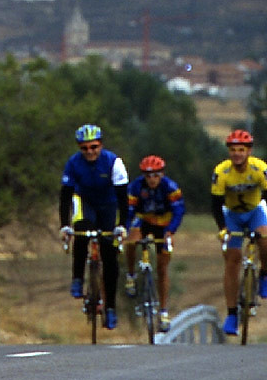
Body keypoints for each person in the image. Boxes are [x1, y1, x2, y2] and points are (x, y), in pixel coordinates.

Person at [59, 124, 130, 330]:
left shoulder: (114, 163)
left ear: (101, 145)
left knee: (110, 256)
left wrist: (123, 225)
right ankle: (78, 278)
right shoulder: (73, 164)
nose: (90, 152)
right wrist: (64, 225)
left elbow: (123, 199)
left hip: (108, 204)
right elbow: (65, 197)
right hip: (84, 201)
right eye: (85, 148)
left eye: (94, 147)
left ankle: (110, 308)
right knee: (82, 229)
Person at [211, 129, 267, 336]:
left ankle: (264, 274)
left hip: (255, 211)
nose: (237, 154)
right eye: (233, 150)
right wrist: (223, 230)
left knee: (264, 239)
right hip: (231, 215)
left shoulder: (260, 169)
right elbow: (216, 205)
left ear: (249, 151)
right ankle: (232, 313)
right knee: (232, 259)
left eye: (241, 150)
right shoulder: (222, 172)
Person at [123, 155, 185, 332]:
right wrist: (125, 229)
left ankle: (163, 312)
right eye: (148, 175)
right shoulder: (135, 187)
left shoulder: (171, 187)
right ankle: (131, 275)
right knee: (132, 240)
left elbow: (179, 211)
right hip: (144, 220)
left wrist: (170, 232)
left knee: (162, 267)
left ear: (162, 174)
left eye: (156, 175)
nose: (152, 179)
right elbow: (129, 211)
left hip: (164, 224)